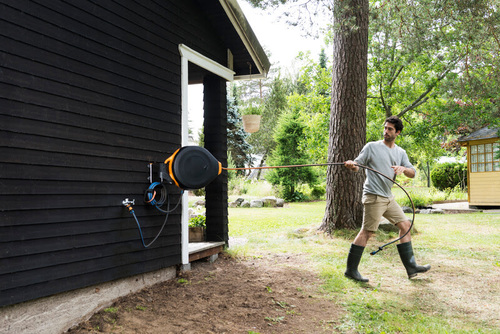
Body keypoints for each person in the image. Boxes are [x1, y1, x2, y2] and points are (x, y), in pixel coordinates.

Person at [343, 116, 430, 282]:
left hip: (388, 197)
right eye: (385, 128)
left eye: (390, 129)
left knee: (405, 225)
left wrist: (403, 169)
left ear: (397, 132)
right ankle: (351, 270)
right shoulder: (372, 147)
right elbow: (357, 165)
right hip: (374, 196)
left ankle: (411, 267)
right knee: (367, 231)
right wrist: (351, 164)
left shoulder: (400, 152)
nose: (386, 131)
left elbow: (413, 173)